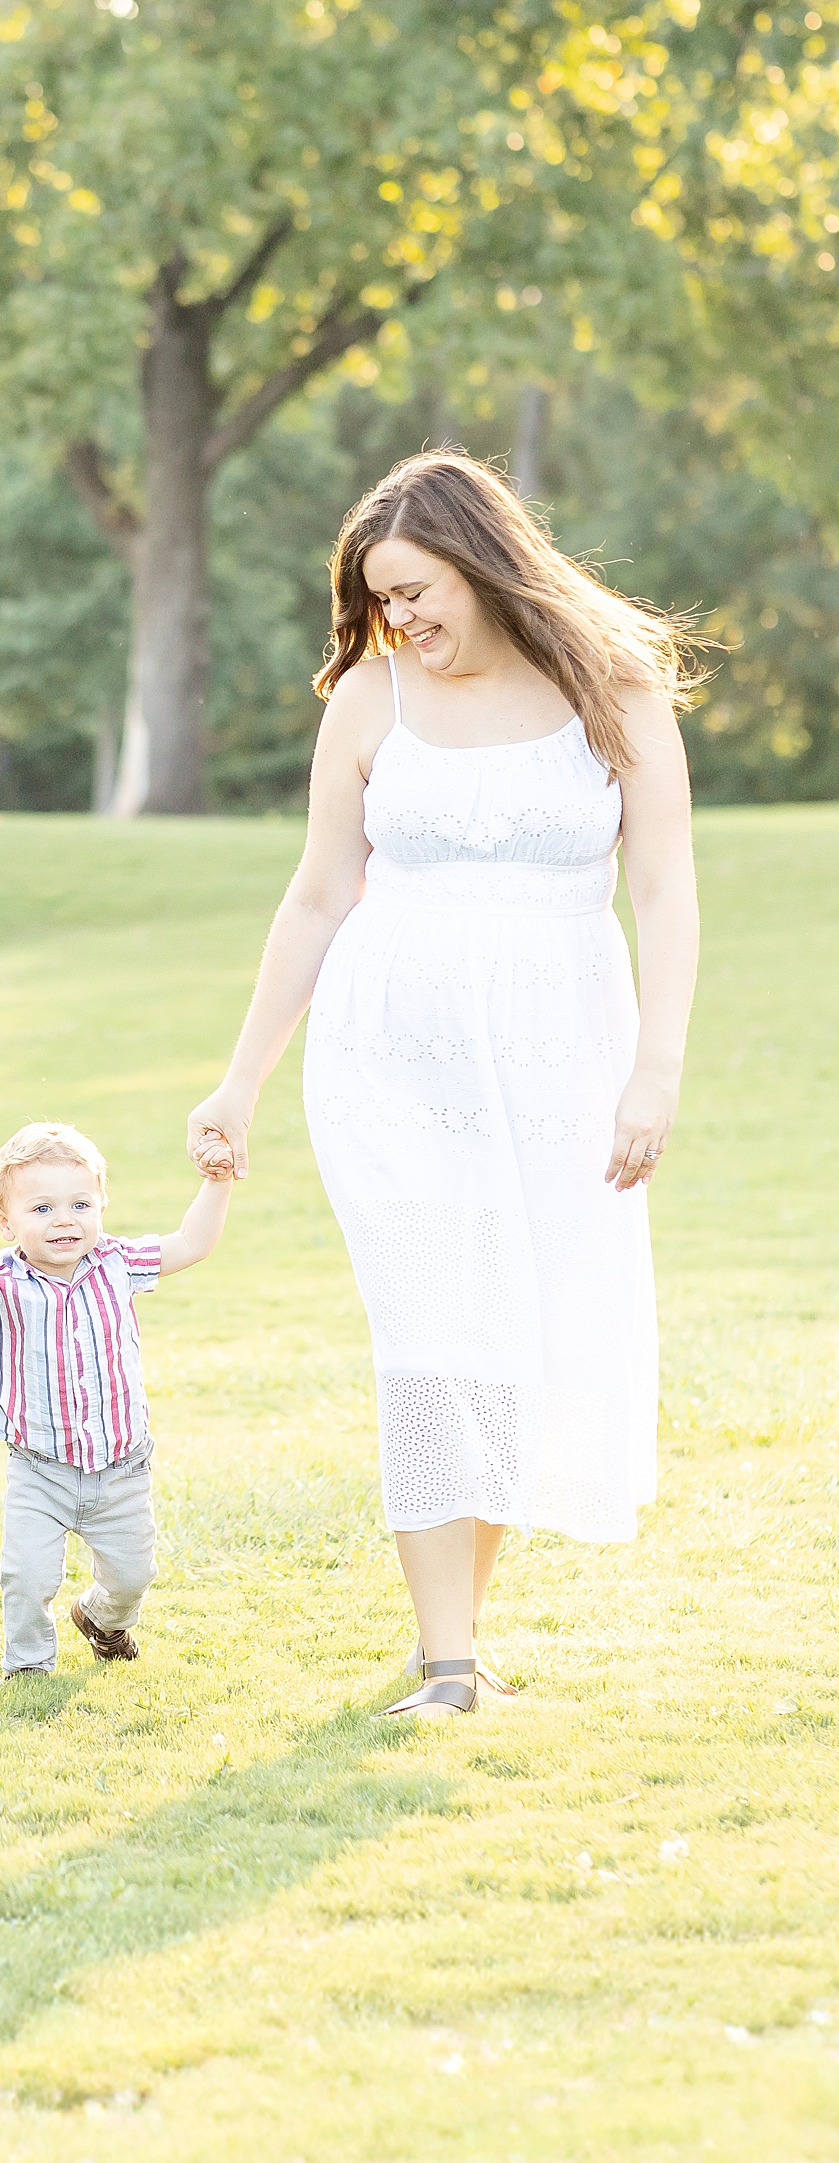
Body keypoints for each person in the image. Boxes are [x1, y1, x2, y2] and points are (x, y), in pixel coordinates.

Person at [187, 452, 700, 1718]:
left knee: (509, 1339)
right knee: (429, 1336)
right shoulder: (369, 699)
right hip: (388, 1059)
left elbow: (666, 888)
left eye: (415, 590)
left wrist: (656, 1070)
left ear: (482, 559)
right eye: (379, 599)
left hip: (560, 1056)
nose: (400, 619)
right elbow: (319, 892)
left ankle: (463, 1642)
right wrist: (241, 1075)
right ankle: (447, 1661)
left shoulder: (615, 690)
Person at [0, 1122, 232, 1675]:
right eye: (42, 1208)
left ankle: (102, 1617)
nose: (64, 1220)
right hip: (40, 1470)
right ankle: (29, 1666)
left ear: (102, 1205)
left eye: (80, 1203)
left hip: (122, 1467)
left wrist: (216, 1183)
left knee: (133, 1574)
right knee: (27, 1576)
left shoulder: (116, 1263)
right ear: (6, 1223)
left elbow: (192, 1243)